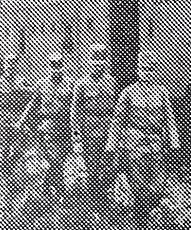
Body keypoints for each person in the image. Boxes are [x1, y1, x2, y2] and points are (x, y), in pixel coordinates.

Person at [109, 54, 179, 217]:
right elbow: (118, 121)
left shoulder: (162, 92)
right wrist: (112, 145)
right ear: (137, 71)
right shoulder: (128, 92)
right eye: (144, 70)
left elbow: (169, 119)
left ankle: (150, 211)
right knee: (138, 181)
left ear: (155, 72)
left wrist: (174, 144)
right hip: (134, 143)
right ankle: (141, 215)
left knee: (158, 182)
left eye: (151, 70)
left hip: (156, 144)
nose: (147, 73)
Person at [20, 52, 74, 202]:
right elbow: (31, 105)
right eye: (53, 66)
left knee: (58, 160)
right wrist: (21, 121)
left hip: (64, 129)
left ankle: (46, 186)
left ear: (64, 67)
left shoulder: (71, 84)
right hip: (46, 129)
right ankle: (60, 191)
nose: (56, 69)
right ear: (48, 67)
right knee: (53, 160)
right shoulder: (41, 84)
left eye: (59, 66)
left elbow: (75, 107)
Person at [70, 44, 116, 211]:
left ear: (106, 61)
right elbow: (75, 111)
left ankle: (102, 194)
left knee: (110, 165)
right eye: (95, 59)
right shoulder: (81, 84)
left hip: (107, 130)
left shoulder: (111, 81)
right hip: (89, 131)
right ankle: (95, 203)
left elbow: (114, 109)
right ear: (89, 61)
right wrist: (76, 134)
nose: (98, 63)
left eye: (102, 59)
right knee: (92, 167)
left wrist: (115, 132)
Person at [0, 54, 33, 192]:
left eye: (13, 64)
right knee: (4, 148)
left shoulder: (21, 81)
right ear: (4, 66)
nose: (10, 67)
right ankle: (6, 182)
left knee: (21, 146)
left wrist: (23, 91)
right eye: (8, 64)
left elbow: (32, 96)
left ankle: (10, 165)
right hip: (1, 120)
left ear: (16, 66)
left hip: (17, 119)